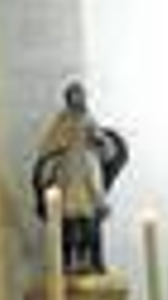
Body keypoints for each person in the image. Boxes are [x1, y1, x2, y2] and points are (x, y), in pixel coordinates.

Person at [32, 81, 129, 274]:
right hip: (69, 173)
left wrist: (98, 141)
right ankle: (68, 261)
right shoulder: (62, 121)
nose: (78, 100)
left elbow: (105, 147)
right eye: (74, 96)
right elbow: (48, 146)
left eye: (80, 96)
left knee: (90, 218)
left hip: (89, 172)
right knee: (68, 220)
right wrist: (63, 144)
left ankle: (92, 260)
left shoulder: (89, 118)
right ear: (68, 99)